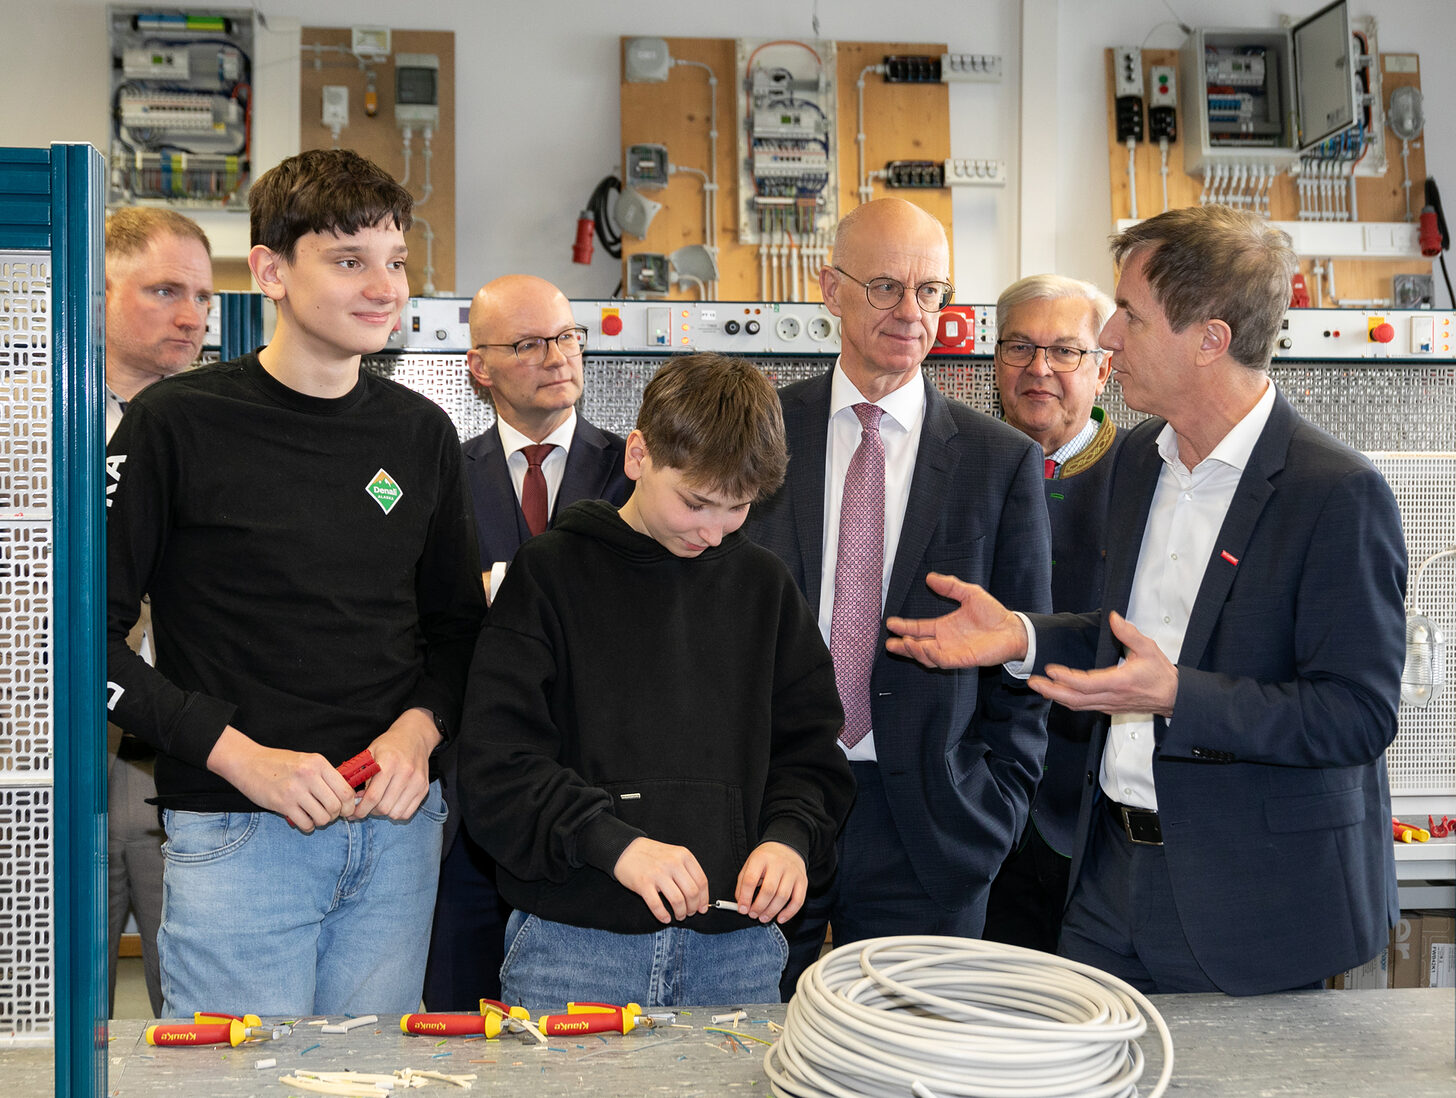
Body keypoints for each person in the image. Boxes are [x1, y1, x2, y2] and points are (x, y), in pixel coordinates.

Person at [886, 203, 1407, 995]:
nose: (1108, 338)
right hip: (1107, 881)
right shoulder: (1140, 459)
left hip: (1252, 903)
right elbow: (1127, 637)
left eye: (1129, 314)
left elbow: (1357, 715)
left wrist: (1177, 695)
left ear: (1209, 340)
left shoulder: (1335, 493)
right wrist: (1022, 637)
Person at [105, 148, 486, 1017]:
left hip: (394, 834)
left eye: (394, 261)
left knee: (375, 1078)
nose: (383, 286)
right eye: (348, 261)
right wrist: (245, 761)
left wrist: (418, 736)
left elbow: (459, 629)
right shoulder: (176, 424)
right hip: (239, 836)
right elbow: (84, 639)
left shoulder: (421, 433)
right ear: (272, 272)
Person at [458, 352, 854, 1011]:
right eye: (696, 502)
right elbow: (499, 767)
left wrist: (789, 841)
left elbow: (810, 755)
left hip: (738, 954)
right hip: (574, 949)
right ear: (638, 455)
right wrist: (616, 847)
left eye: (738, 509)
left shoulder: (764, 589)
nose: (713, 530)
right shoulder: (550, 574)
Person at [743, 197, 1052, 998]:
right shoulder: (760, 431)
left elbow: (1026, 655)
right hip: (769, 809)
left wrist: (998, 807)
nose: (911, 313)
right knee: (753, 1049)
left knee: (919, 1059)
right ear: (829, 288)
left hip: (935, 822)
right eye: (885, 286)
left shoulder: (999, 462)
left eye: (931, 291)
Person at [423, 273, 629, 1011]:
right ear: (478, 366)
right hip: (463, 808)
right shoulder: (441, 475)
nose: (557, 356)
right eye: (529, 343)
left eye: (568, 337)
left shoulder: (635, 476)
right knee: (454, 1015)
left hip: (593, 802)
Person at [984, 274, 1120, 954]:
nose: (1039, 368)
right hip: (979, 818)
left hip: (1097, 824)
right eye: (1019, 347)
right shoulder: (963, 467)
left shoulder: (1142, 476)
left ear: (1103, 370)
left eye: (1065, 351)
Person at [102, 206, 214, 1017]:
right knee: (52, 1013)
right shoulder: (27, 423)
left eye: (204, 296)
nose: (192, 316)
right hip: (50, 749)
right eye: (165, 290)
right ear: (95, 290)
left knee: (198, 1001)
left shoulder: (227, 427)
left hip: (184, 748)